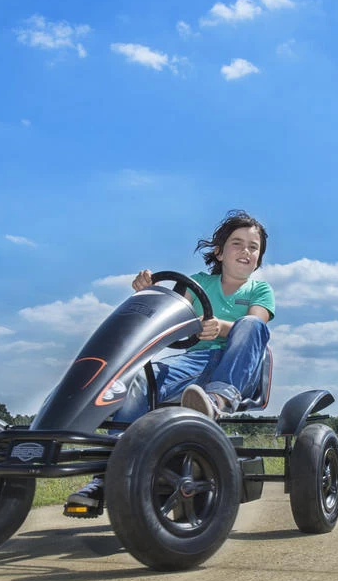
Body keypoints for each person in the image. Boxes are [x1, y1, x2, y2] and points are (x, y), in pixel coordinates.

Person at [65, 209, 275, 512]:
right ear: (219, 252)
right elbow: (171, 314)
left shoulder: (260, 290)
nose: (246, 251)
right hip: (194, 363)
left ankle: (217, 400)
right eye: (237, 243)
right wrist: (149, 292)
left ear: (258, 258)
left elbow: (257, 325)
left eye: (253, 247)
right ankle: (112, 470)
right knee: (137, 377)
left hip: (237, 367)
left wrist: (220, 327)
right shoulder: (197, 283)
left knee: (251, 325)